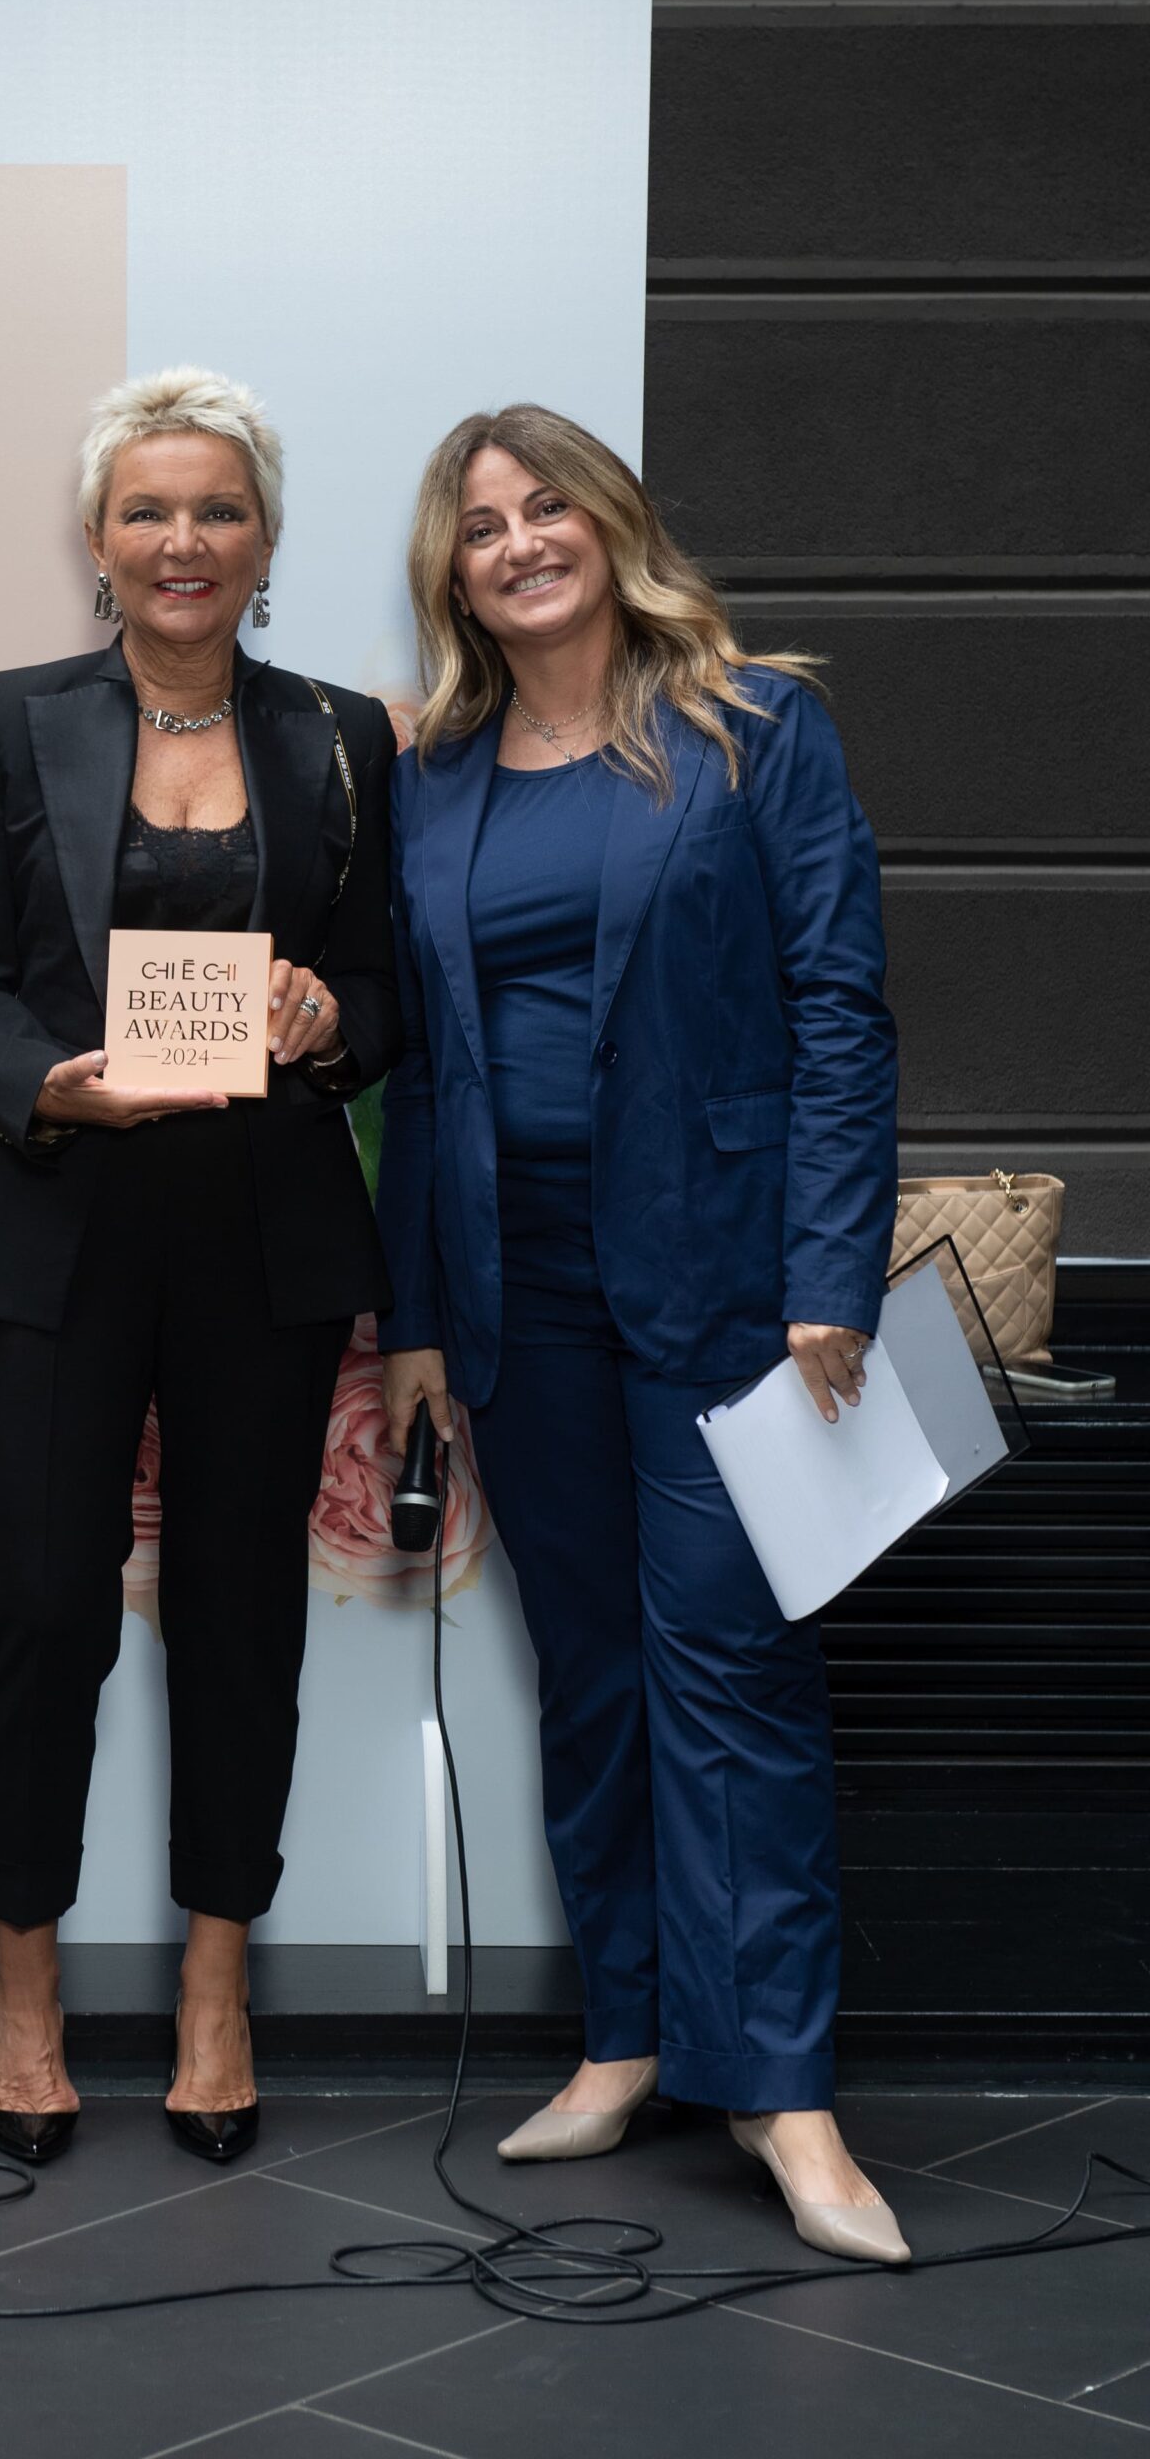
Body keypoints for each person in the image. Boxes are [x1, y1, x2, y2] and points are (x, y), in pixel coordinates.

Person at [378, 404, 909, 2264]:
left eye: (548, 509)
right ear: (453, 574)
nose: (519, 543)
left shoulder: (756, 729)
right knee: (593, 1681)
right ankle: (627, 2040)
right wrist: (419, 1318)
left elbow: (839, 1005)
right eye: (481, 526)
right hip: (512, 1295)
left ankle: (784, 2095)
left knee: (733, 1678)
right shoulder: (436, 776)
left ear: (610, 527)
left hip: (728, 1288)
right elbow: (423, 1069)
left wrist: (830, 1271)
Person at [0, 367, 400, 2166]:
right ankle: (21, 1987)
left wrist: (330, 1014)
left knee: (240, 1615)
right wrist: (46, 1084)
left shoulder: (343, 735)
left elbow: (387, 991)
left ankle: (216, 1987)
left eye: (217, 509)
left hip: (264, 1233)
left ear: (264, 541)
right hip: (57, 1220)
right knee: (44, 1611)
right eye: (148, 509)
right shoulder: (6, 720)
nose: (182, 539)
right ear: (96, 539)